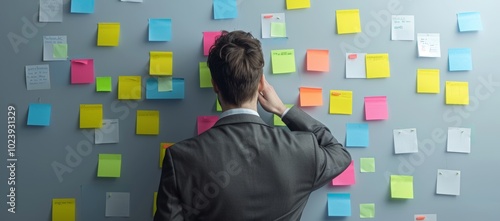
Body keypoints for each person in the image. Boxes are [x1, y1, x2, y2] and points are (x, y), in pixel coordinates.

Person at [154, 30, 351, 221]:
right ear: (261, 84)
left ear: (214, 84)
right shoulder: (303, 150)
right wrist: (284, 110)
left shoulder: (179, 158)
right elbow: (339, 154)